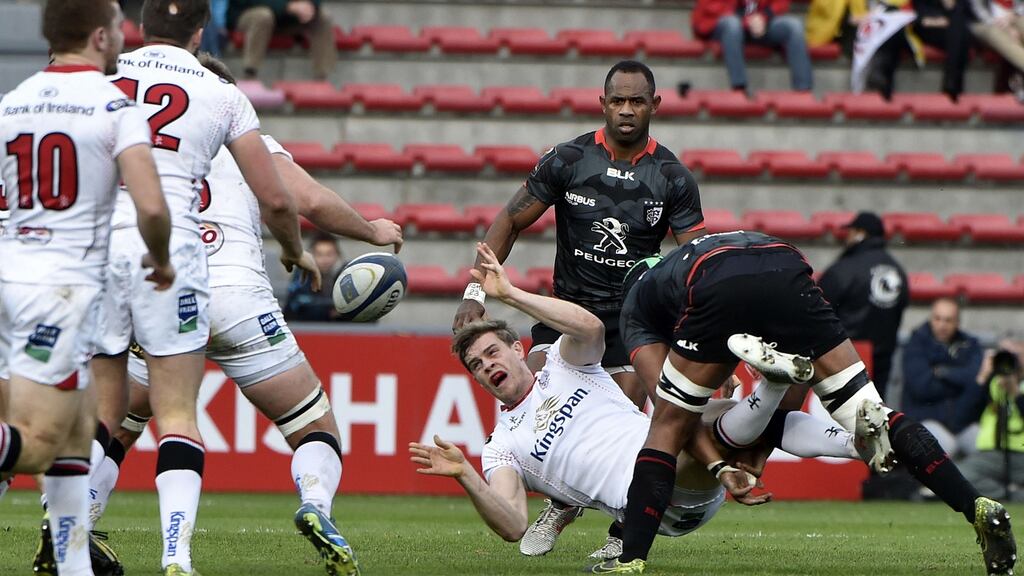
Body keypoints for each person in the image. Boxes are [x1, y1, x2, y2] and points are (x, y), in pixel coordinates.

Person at [82, 54, 402, 576]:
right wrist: (372, 231)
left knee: (121, 422)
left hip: (161, 291)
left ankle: (77, 525)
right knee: (312, 424)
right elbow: (311, 202)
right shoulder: (251, 144)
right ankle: (315, 506)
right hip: (238, 299)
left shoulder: (150, 144)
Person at [413, 243, 869, 564]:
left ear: (516, 349)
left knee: (700, 418)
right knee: (699, 423)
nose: (486, 366)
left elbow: (590, 329)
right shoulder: (502, 446)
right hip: (655, 506)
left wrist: (511, 295)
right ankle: (771, 385)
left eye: (492, 352)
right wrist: (467, 476)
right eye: (475, 365)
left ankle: (857, 445)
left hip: (670, 455)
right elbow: (513, 524)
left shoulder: (562, 364)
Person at [607, 231, 1015, 575]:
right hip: (784, 264)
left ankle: (630, 560)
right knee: (870, 413)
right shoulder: (689, 258)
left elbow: (673, 418)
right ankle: (973, 503)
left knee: (666, 426)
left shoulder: (638, 305)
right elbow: (790, 403)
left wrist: (721, 466)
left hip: (716, 281)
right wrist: (762, 448)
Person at [91, 1, 320, 573]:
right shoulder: (220, 93)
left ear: (138, 28)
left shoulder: (100, 76)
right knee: (177, 413)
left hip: (91, 257)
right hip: (178, 260)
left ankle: (65, 528)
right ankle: (177, 556)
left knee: (99, 415)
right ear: (200, 32)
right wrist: (294, 251)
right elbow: (281, 198)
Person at [451, 59, 707, 555]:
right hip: (565, 313)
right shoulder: (568, 159)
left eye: (637, 102)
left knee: (624, 423)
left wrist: (696, 325)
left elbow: (697, 259)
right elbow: (509, 220)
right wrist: (475, 292)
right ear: (602, 104)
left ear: (655, 105)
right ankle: (559, 505)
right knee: (539, 402)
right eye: (618, 101)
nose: (627, 111)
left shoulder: (672, 176)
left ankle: (618, 528)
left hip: (633, 317)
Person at [0, 0, 174, 573]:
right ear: (101, 36)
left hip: (8, 278)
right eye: (120, 23)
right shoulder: (114, 104)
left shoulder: (13, 102)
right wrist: (162, 259)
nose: (126, 33)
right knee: (41, 441)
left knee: (79, 433)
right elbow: (150, 203)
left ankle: (72, 566)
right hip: (61, 290)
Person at [818, 211, 908, 400]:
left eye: (850, 231)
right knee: (875, 415)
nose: (847, 237)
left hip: (846, 359)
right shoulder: (897, 270)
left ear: (860, 233)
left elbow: (818, 308)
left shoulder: (845, 268)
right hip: (882, 358)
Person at [901, 297, 983, 458]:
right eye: (937, 319)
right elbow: (922, 388)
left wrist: (943, 373)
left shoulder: (970, 345)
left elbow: (976, 381)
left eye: (948, 320)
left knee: (985, 447)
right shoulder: (916, 344)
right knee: (946, 446)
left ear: (957, 322)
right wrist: (960, 380)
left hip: (961, 420)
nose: (942, 325)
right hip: (924, 418)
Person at [691, 0, 814, 93]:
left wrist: (763, 17)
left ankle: (803, 90)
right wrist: (749, 22)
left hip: (760, 23)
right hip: (721, 23)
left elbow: (780, 3)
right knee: (732, 24)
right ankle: (739, 87)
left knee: (794, 26)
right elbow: (713, 9)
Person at [960, 341, 1024, 502]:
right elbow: (963, 415)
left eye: (1016, 355)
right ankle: (1013, 495)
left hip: (1021, 454)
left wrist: (1015, 392)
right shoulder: (991, 384)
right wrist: (983, 375)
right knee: (962, 475)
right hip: (993, 454)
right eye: (1004, 355)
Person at [228, 0, 337, 80]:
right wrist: (287, 6)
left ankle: (322, 77)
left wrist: (310, 6)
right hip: (250, 13)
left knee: (323, 17)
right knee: (263, 15)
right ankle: (250, 73)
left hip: (287, 19)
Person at [285, 233, 346, 321]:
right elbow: (296, 304)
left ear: (337, 255)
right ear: (311, 255)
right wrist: (330, 311)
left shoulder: (343, 275)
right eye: (319, 254)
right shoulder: (302, 274)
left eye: (329, 254)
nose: (325, 259)